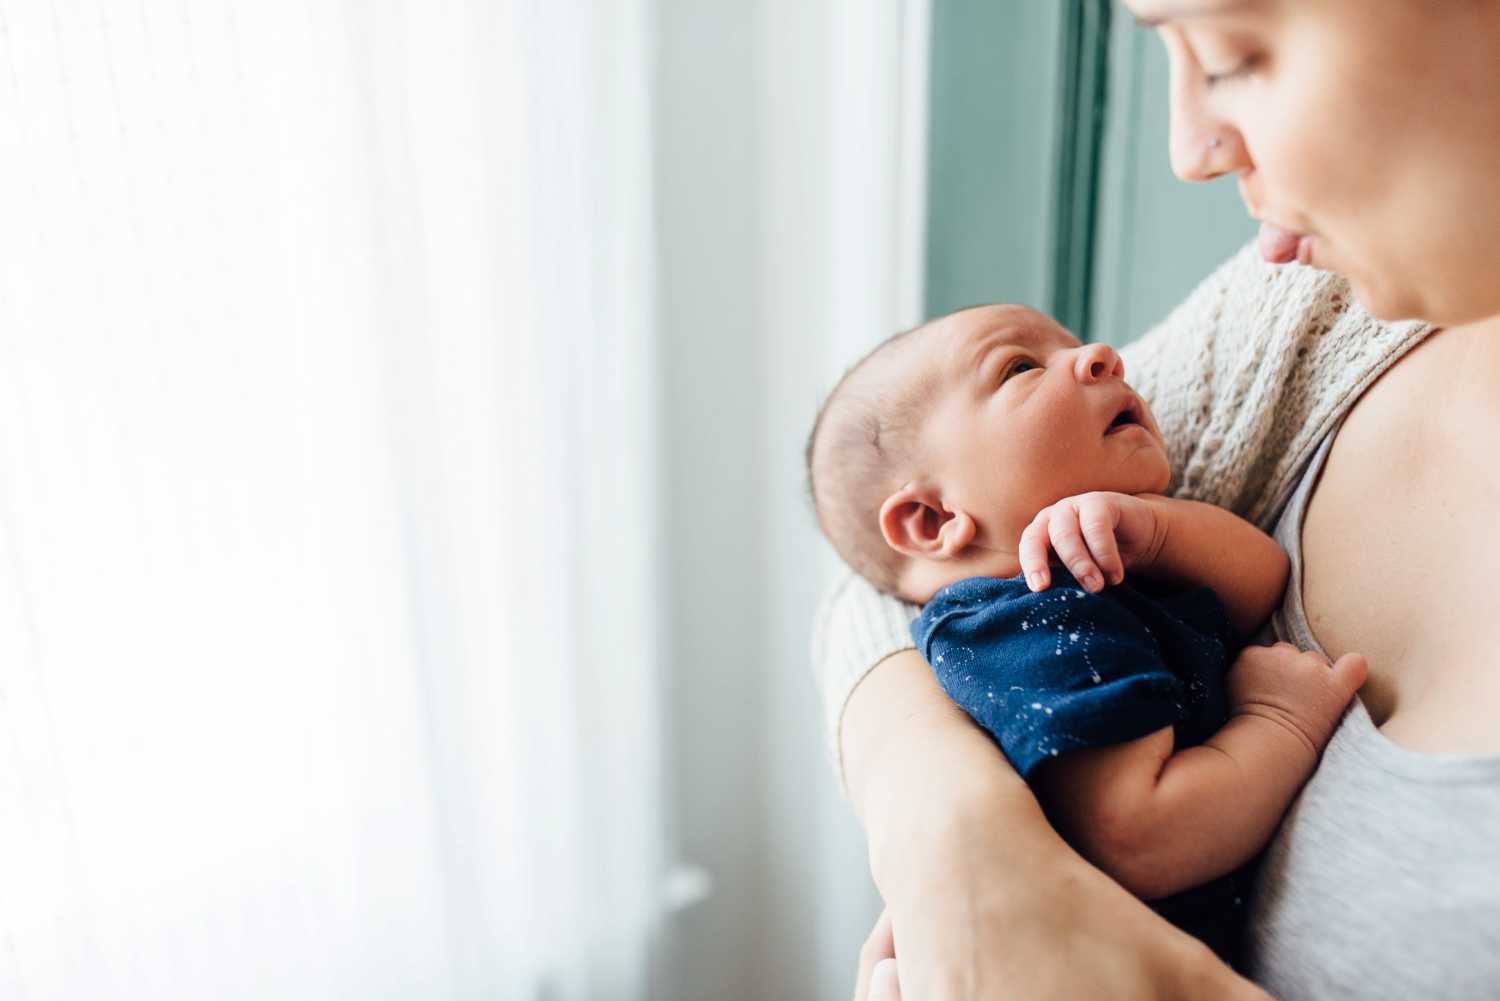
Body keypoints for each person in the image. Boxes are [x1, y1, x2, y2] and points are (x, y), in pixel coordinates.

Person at [815, 2, 1500, 999]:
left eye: (1229, 53)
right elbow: (871, 592)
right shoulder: (1316, 283)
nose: (1189, 148)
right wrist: (959, 847)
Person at [805, 302, 1366, 962]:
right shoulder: (1026, 621)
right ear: (933, 520)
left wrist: (1157, 530)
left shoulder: (1092, 566)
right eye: (1020, 366)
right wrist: (1279, 721)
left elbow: (1262, 582)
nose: (1103, 353)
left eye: (1072, 344)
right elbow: (1143, 831)